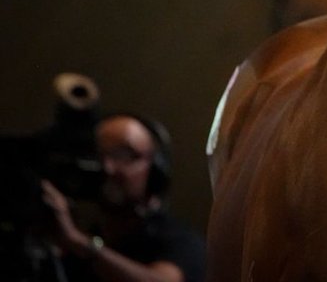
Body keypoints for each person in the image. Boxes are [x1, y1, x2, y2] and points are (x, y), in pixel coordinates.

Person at [39, 113, 205, 282]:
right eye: (98, 156)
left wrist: (80, 243)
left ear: (156, 169)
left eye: (124, 156)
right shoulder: (81, 243)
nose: (107, 168)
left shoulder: (179, 241)